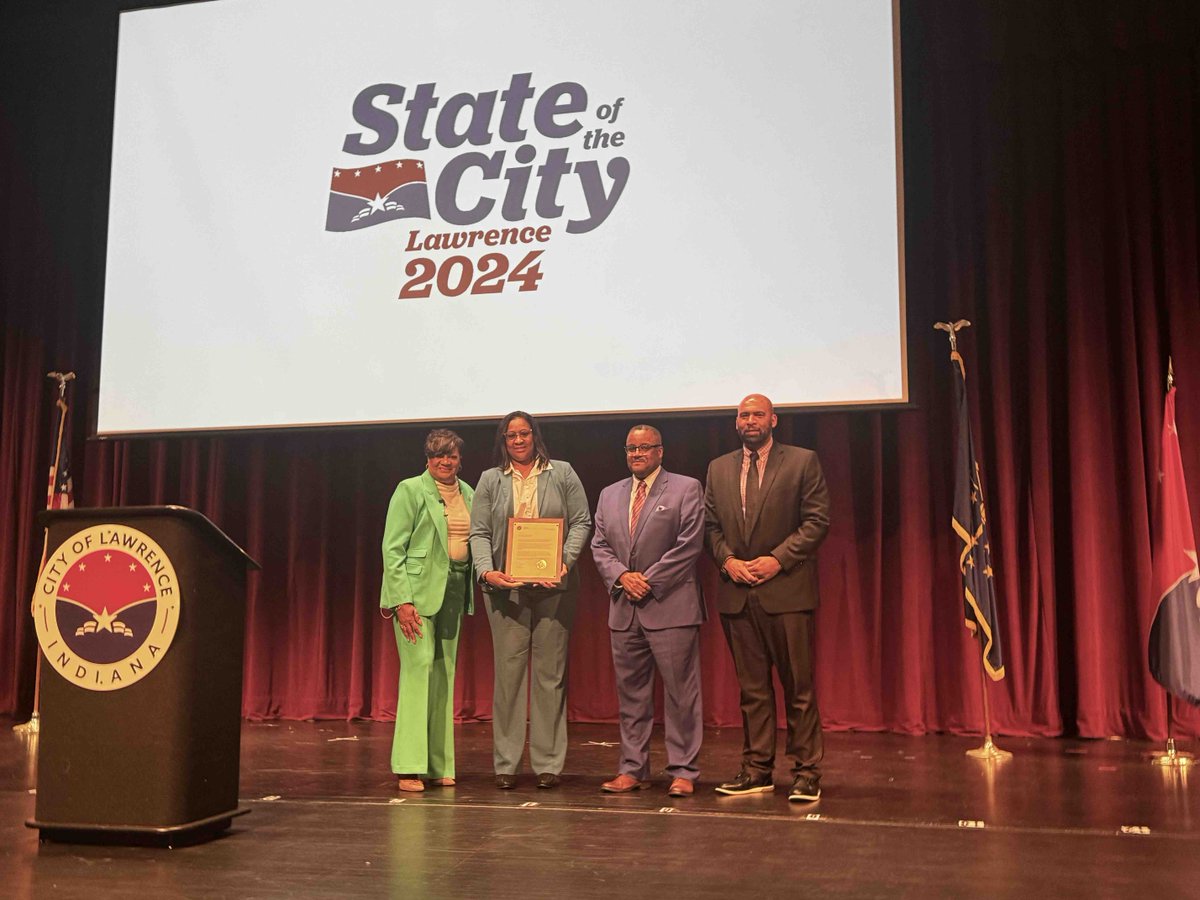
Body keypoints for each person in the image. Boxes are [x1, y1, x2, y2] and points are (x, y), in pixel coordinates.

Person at [703, 394, 830, 802]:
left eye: (758, 414)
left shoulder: (802, 460)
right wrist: (726, 562)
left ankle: (807, 772)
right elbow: (710, 526)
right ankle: (757, 770)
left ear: (774, 420)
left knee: (799, 687)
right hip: (737, 595)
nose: (750, 420)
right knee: (752, 691)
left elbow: (816, 521)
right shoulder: (719, 468)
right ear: (735, 423)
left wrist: (777, 560)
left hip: (787, 592)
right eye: (743, 415)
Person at [469, 411, 591, 789]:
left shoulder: (563, 472)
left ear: (535, 437)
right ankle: (506, 764)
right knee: (508, 679)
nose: (518, 441)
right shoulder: (491, 480)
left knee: (550, 677)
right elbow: (479, 532)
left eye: (524, 434)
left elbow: (582, 521)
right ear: (503, 441)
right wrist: (487, 572)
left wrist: (565, 563)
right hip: (506, 590)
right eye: (511, 436)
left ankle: (548, 763)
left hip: (554, 588)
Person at [591, 425, 706, 798]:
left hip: (670, 607)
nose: (637, 454)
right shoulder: (610, 494)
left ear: (660, 451)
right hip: (625, 609)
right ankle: (632, 768)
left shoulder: (686, 488)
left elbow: (689, 545)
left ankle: (684, 770)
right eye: (631, 448)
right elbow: (599, 545)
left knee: (680, 694)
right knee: (631, 696)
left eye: (644, 448)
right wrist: (623, 576)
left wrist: (649, 581)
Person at [380, 429, 475, 792]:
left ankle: (439, 764)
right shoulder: (409, 490)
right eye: (438, 456)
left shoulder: (468, 493)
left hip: (453, 589)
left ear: (459, 458)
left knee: (444, 674)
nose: (445, 461)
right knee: (419, 671)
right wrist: (401, 601)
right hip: (416, 594)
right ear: (427, 458)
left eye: (450, 455)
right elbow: (393, 549)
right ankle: (408, 766)